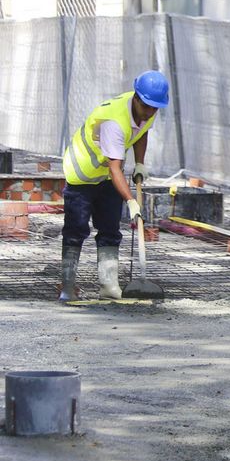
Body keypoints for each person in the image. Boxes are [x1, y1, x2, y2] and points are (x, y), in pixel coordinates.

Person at [59, 70, 169, 301]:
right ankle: (67, 288)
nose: (150, 112)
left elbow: (142, 132)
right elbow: (115, 168)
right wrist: (130, 200)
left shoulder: (148, 108)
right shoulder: (114, 122)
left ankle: (108, 287)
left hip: (108, 175)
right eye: (147, 107)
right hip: (83, 173)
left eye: (155, 108)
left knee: (109, 229)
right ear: (136, 98)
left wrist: (139, 163)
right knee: (76, 230)